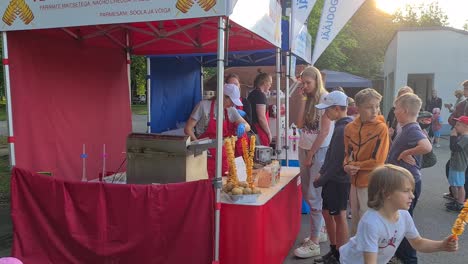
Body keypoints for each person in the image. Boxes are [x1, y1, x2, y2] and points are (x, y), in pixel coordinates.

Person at [339, 165, 458, 264]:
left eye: (411, 191)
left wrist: (442, 245)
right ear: (386, 193)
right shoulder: (371, 223)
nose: (412, 195)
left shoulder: (404, 215)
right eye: (406, 191)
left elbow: (418, 243)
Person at [386, 93, 432, 264]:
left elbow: (426, 146)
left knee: (404, 223)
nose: (395, 111)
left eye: (396, 108)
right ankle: (402, 256)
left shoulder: (412, 128)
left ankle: (409, 259)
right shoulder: (408, 128)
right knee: (402, 221)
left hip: (406, 184)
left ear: (404, 111)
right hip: (404, 181)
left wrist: (406, 153)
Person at [294, 66, 333, 259]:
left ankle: (315, 241)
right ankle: (320, 231)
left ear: (317, 81)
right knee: (308, 194)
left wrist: (311, 155)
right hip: (304, 147)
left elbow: (324, 131)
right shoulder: (308, 98)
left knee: (313, 193)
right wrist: (302, 99)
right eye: (303, 83)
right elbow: (300, 124)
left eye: (308, 83)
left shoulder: (325, 98)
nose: (306, 86)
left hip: (318, 150)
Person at [313, 91, 353, 264]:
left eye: (327, 109)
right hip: (333, 178)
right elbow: (330, 154)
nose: (325, 113)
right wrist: (322, 171)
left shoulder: (343, 128)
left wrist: (320, 180)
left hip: (339, 180)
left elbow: (337, 161)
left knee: (339, 216)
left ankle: (340, 256)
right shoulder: (340, 125)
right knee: (329, 213)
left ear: (337, 108)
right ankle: (334, 249)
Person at [344, 88, 389, 236]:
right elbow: (347, 154)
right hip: (354, 183)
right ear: (358, 107)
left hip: (371, 183)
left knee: (369, 224)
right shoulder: (350, 128)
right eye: (370, 107)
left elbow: (378, 161)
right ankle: (356, 256)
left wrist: (354, 166)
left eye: (377, 106)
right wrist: (346, 166)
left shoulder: (381, 128)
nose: (375, 110)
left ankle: (370, 257)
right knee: (356, 223)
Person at [184, 83, 251, 178]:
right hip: (205, 155)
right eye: (231, 101)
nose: (232, 104)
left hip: (223, 155)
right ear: (223, 96)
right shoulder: (203, 106)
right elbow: (188, 129)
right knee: (205, 183)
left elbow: (248, 126)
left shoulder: (231, 110)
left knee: (224, 183)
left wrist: (243, 126)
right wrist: (198, 145)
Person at [447, 80, 468, 200]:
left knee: (461, 171)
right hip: (461, 133)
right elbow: (455, 114)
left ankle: (461, 200)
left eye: (466, 88)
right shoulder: (463, 103)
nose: (464, 91)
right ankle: (457, 196)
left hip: (463, 135)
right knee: (452, 167)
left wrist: (456, 132)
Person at [225, 73, 253, 157]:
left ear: (239, 85)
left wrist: (243, 118)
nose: (234, 87)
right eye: (231, 84)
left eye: (236, 84)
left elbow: (250, 122)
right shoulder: (222, 105)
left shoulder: (245, 102)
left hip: (241, 140)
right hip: (227, 140)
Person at [445, 116, 468, 212]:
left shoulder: (466, 138)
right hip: (455, 164)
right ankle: (456, 199)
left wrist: (453, 136)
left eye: (458, 125)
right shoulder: (462, 136)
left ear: (466, 127)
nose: (455, 127)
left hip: (459, 165)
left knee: (459, 185)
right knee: (453, 183)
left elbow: (454, 148)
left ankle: (460, 204)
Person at [247, 72, 273, 146]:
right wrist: (268, 132)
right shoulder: (260, 96)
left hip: (251, 130)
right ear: (265, 83)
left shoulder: (252, 94)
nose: (270, 86)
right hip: (257, 131)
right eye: (270, 83)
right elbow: (261, 117)